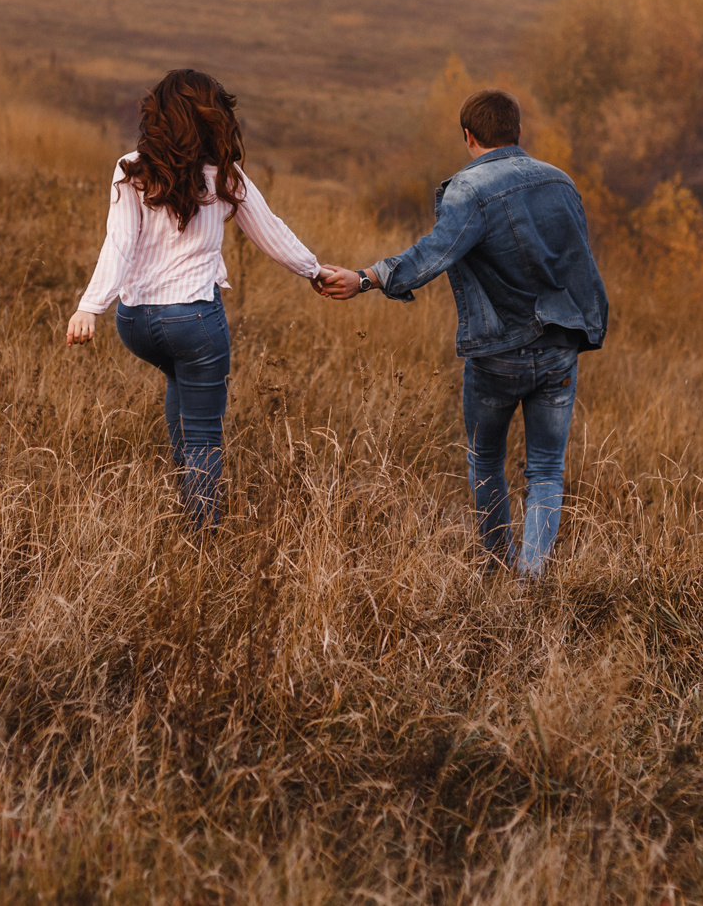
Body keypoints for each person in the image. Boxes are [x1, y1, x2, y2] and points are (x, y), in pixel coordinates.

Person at [317, 88, 606, 577]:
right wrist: (587, 327)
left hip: (497, 355)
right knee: (546, 472)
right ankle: (530, 580)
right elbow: (580, 262)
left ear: (468, 136)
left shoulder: (469, 191)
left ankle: (496, 568)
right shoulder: (561, 182)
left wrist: (366, 278)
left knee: (486, 459)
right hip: (560, 345)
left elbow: (433, 253)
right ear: (518, 132)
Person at [67, 69, 325, 527]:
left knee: (178, 383)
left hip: (136, 323)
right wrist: (315, 270)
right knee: (205, 433)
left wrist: (92, 306)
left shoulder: (132, 169)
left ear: (159, 118)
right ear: (212, 119)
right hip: (194, 322)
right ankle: (200, 531)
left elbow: (119, 242)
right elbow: (271, 232)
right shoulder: (226, 176)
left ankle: (184, 497)